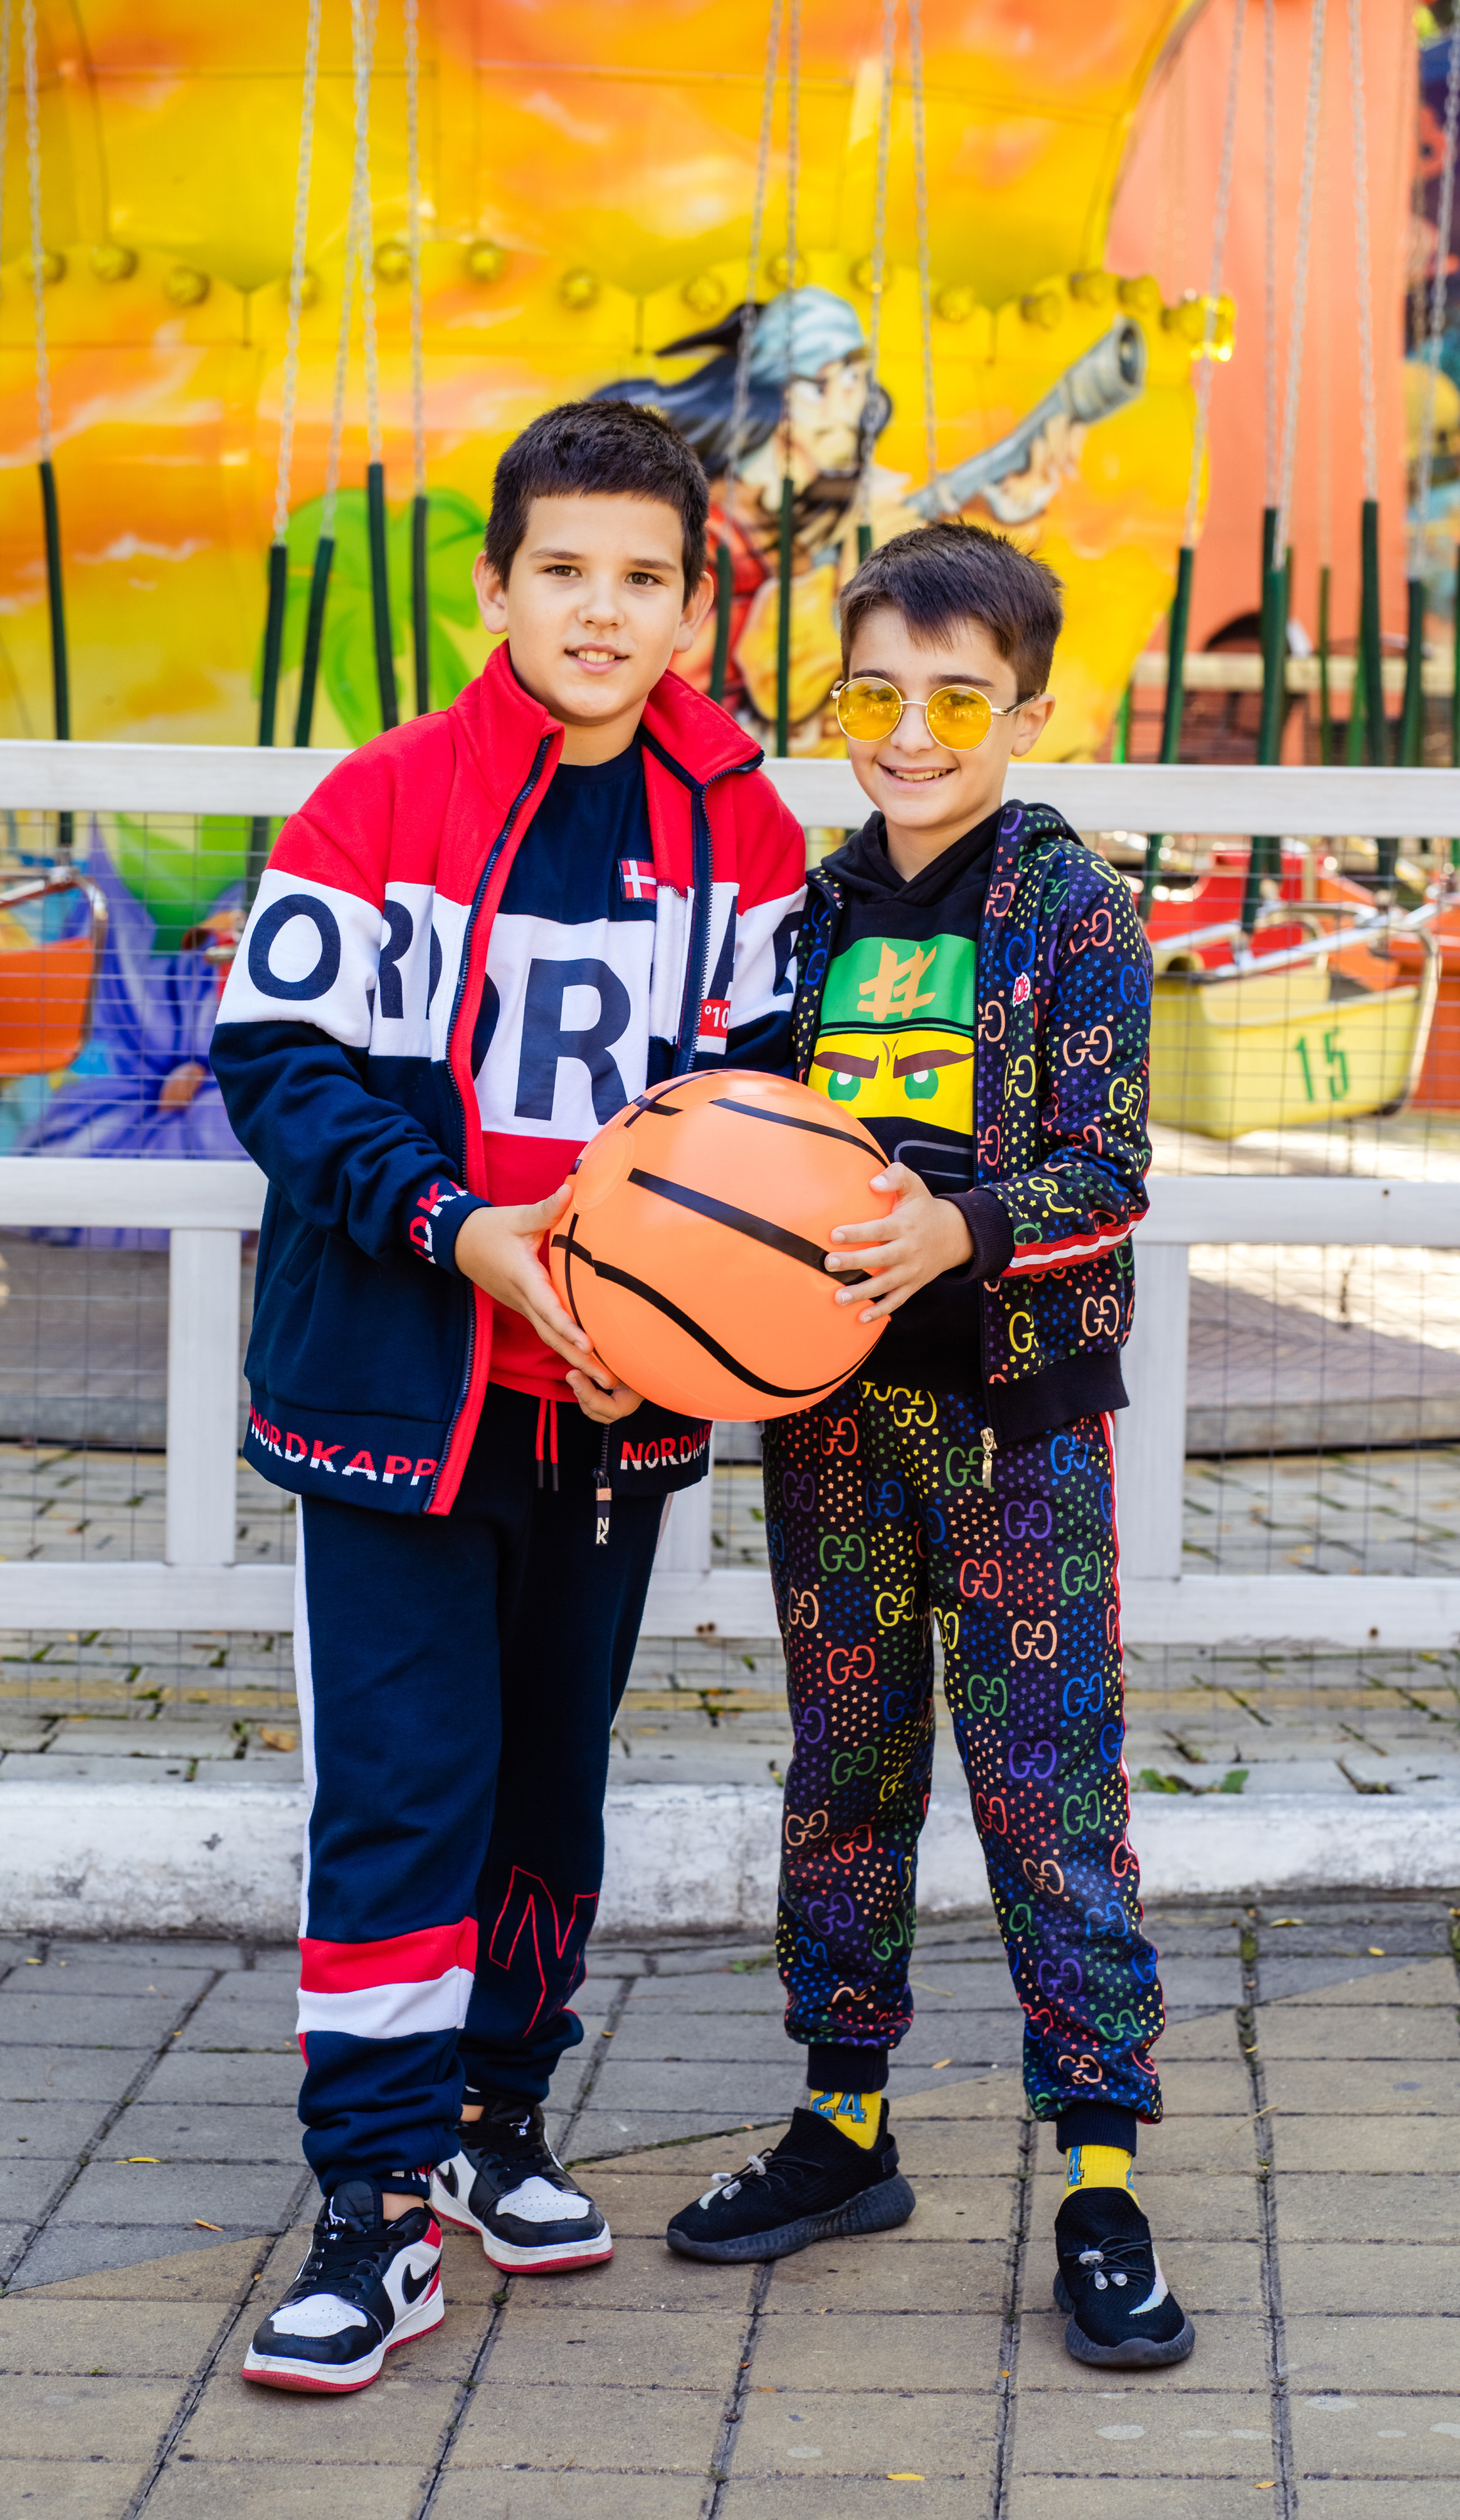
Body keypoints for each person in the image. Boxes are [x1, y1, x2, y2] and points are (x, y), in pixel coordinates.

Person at [209, 399, 806, 2392]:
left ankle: (494, 2119)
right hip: (404, 1382)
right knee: (402, 1800)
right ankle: (367, 2205)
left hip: (615, 1406)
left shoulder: (753, 838)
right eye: (566, 570)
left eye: (646, 578)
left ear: (696, 605)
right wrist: (467, 1235)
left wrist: (655, 1307)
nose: (603, 612)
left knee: (551, 1789)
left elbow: (764, 1121)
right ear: (497, 585)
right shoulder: (376, 803)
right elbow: (285, 1071)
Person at [664, 520, 1194, 2371]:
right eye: (873, 690)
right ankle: (845, 2126)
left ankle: (1103, 2184)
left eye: (956, 697)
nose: (910, 730)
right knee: (847, 1771)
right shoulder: (811, 918)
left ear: (1026, 710)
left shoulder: (1077, 911)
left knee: (1051, 1802)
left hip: (1015, 1424)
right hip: (831, 1420)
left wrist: (959, 1231)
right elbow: (748, 1146)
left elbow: (1108, 1175)